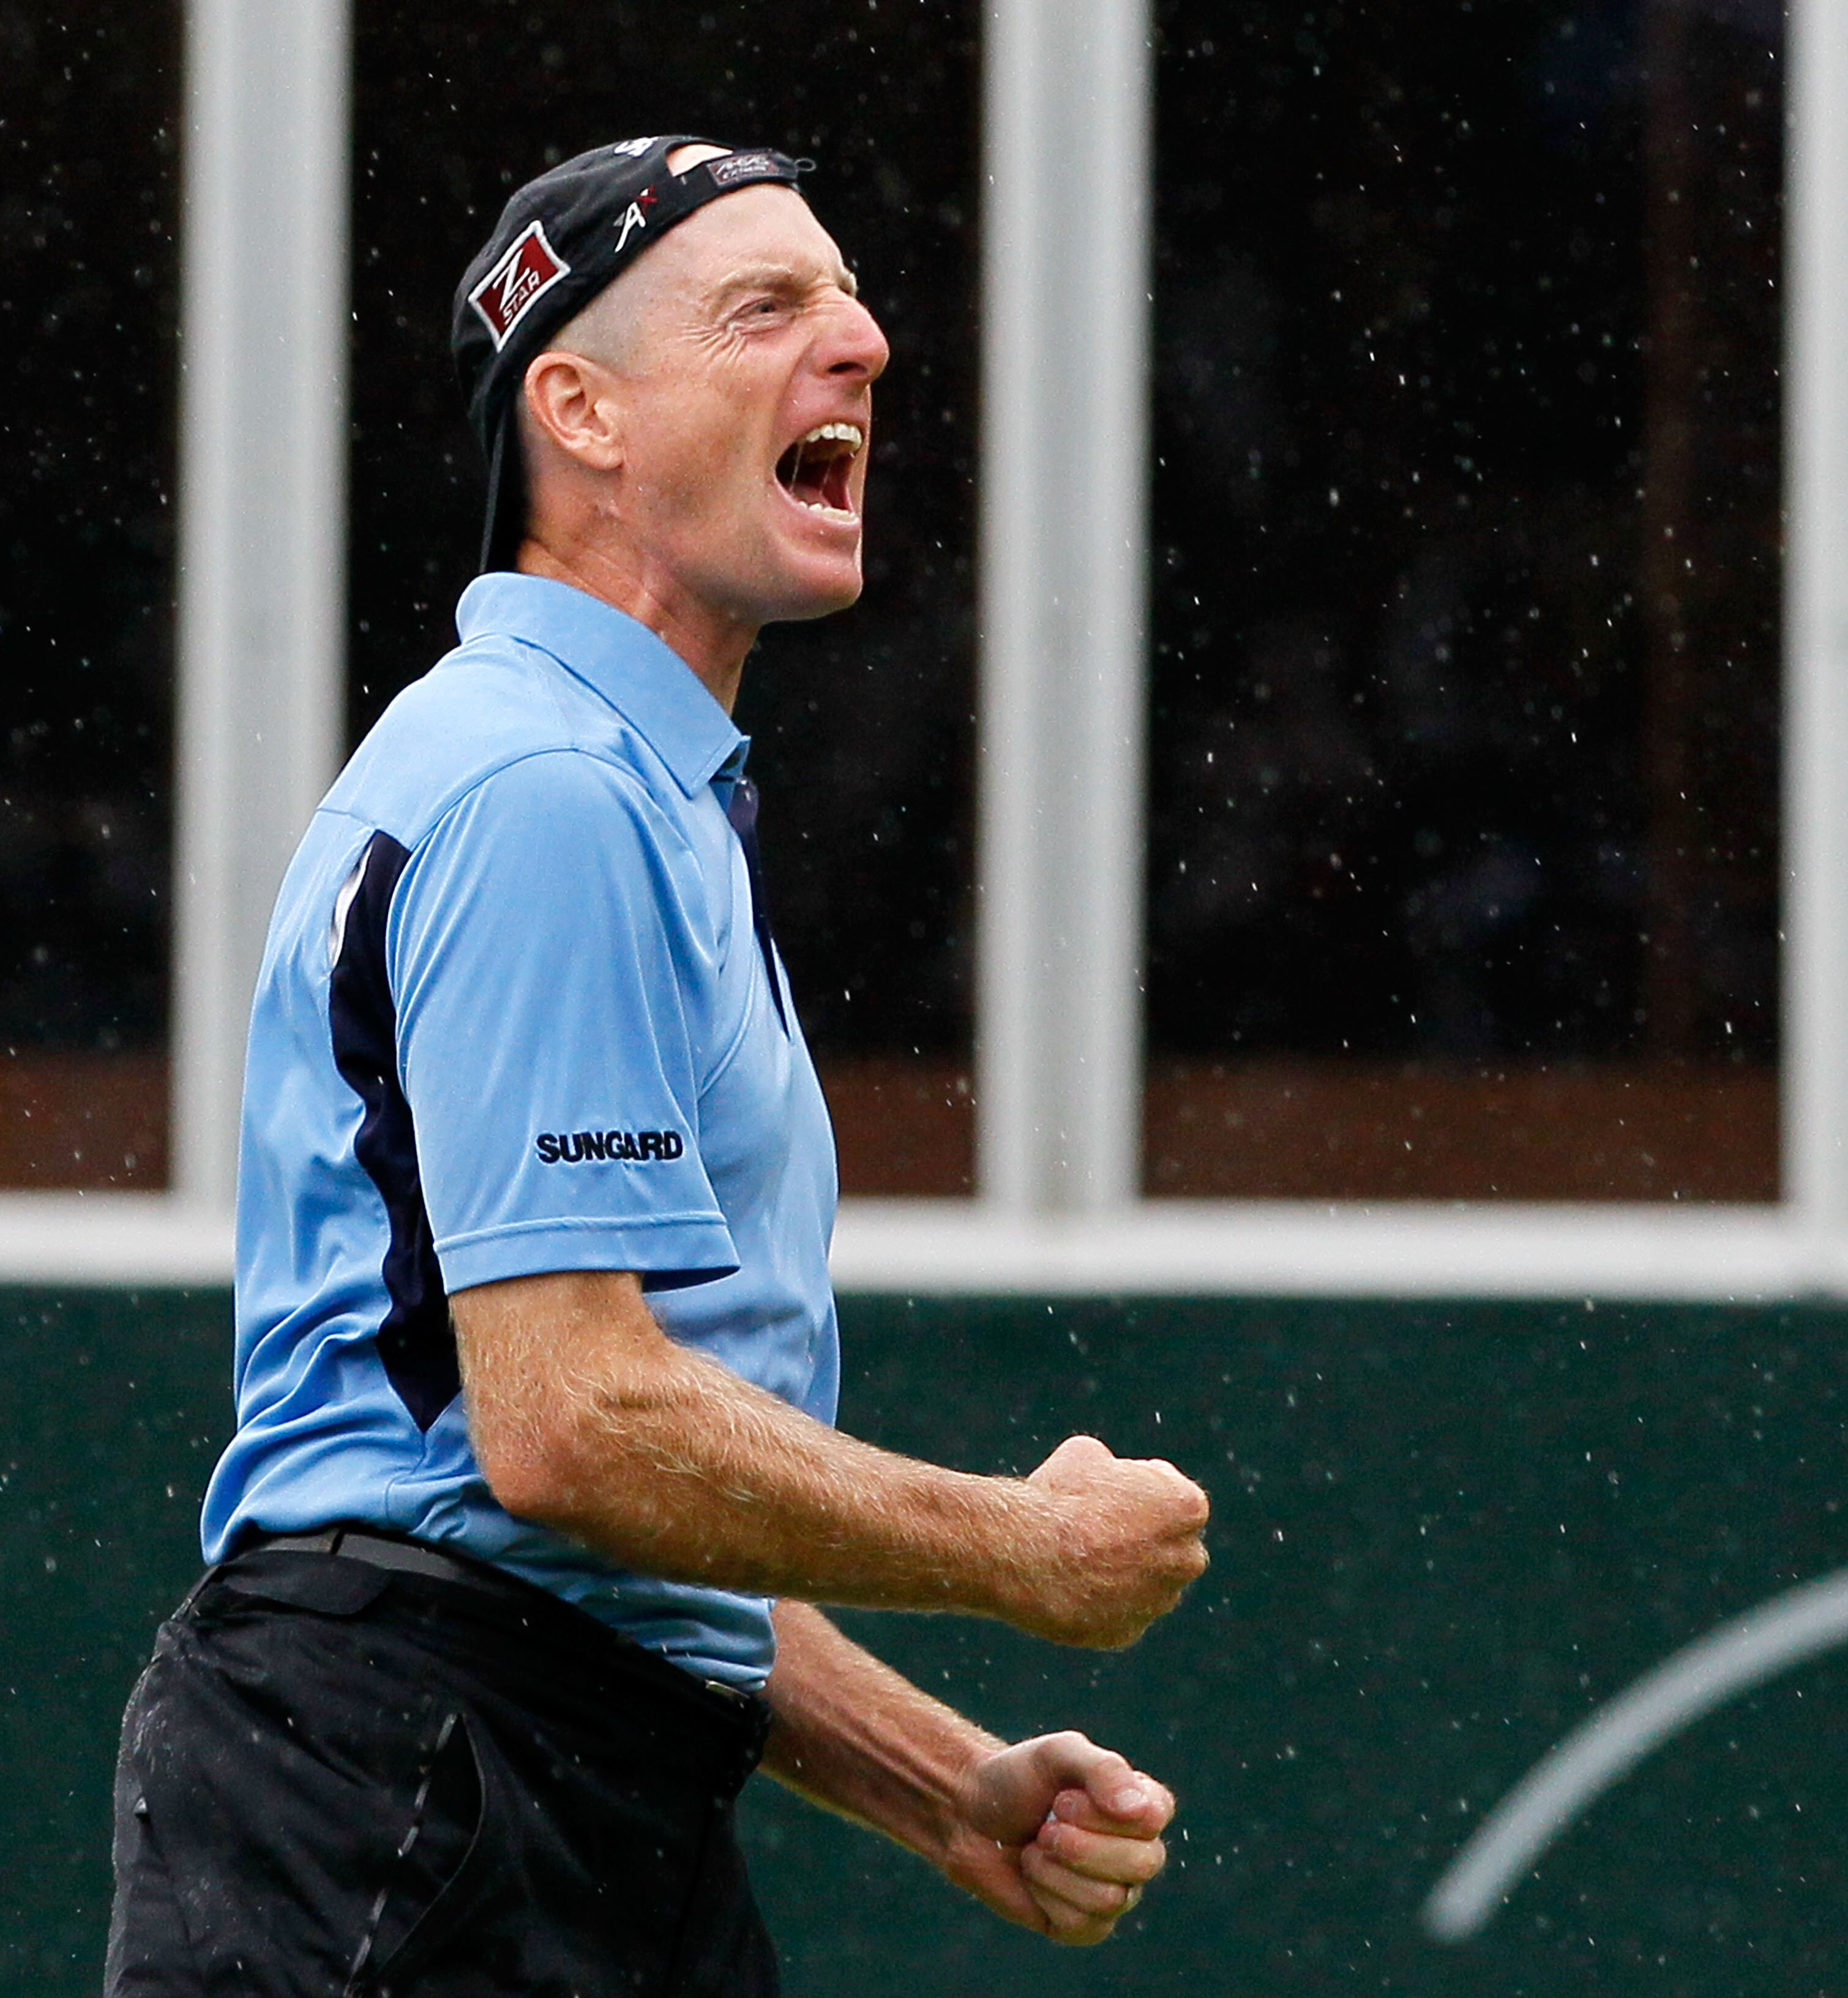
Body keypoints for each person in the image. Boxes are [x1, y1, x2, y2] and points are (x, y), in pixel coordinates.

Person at [103, 135, 1212, 1997]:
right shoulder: (546, 790)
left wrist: (943, 1783)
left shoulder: (623, 786)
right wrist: (1017, 1547)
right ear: (581, 414)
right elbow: (571, 1428)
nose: (860, 342)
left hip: (529, 1780)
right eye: (767, 305)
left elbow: (604, 1522)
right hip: (410, 1778)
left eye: (851, 298)